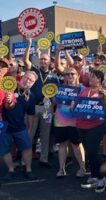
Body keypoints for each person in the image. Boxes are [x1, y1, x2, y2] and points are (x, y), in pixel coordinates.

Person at [23, 38, 59, 168]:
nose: (43, 61)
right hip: (33, 108)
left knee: (45, 134)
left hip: (47, 109)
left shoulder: (54, 77)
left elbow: (56, 93)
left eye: (46, 59)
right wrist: (29, 44)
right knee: (30, 134)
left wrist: (53, 103)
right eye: (42, 59)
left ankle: (44, 159)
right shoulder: (35, 70)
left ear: (50, 62)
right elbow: (25, 61)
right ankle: (24, 161)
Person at [76, 70, 106, 192]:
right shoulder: (84, 91)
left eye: (94, 77)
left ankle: (101, 178)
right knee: (89, 152)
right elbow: (77, 105)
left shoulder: (104, 93)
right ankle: (94, 175)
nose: (91, 78)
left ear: (100, 80)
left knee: (94, 152)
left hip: (96, 126)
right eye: (90, 76)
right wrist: (73, 105)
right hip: (81, 125)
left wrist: (103, 100)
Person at [0, 71, 38, 181]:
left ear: (33, 84)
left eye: (31, 80)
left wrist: (30, 129)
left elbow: (30, 114)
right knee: (5, 149)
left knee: (27, 147)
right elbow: (8, 106)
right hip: (4, 124)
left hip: (20, 126)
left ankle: (28, 170)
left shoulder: (32, 96)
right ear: (22, 77)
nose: (28, 81)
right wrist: (8, 101)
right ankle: (11, 169)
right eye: (27, 77)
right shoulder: (9, 86)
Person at [54, 68, 86, 178]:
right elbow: (55, 101)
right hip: (60, 120)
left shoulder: (82, 89)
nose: (70, 76)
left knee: (76, 145)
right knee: (62, 145)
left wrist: (77, 104)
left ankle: (82, 168)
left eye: (72, 74)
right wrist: (52, 98)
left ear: (77, 75)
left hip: (75, 121)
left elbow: (86, 105)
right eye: (67, 74)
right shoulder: (59, 88)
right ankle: (61, 169)